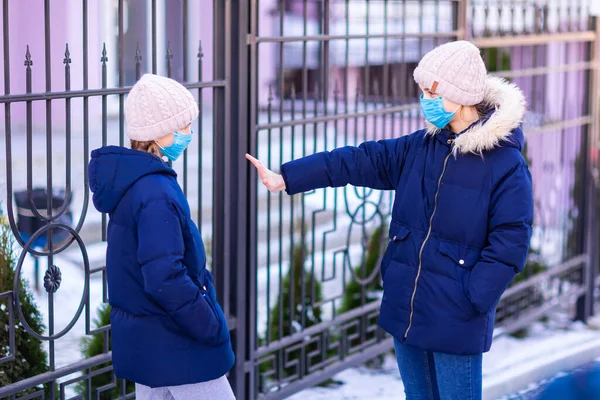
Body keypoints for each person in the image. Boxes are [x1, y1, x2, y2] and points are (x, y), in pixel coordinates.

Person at [246, 40, 533, 399]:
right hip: (407, 306)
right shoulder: (420, 147)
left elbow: (511, 243)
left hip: (457, 317)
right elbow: (356, 160)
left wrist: (472, 298)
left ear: (460, 94)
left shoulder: (506, 166)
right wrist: (288, 177)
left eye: (432, 90)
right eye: (423, 90)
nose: (424, 99)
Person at [89, 73, 235, 400]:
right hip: (177, 339)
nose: (189, 134)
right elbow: (164, 276)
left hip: (154, 336)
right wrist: (208, 322)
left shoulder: (140, 182)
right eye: (184, 127)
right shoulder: (154, 192)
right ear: (160, 133)